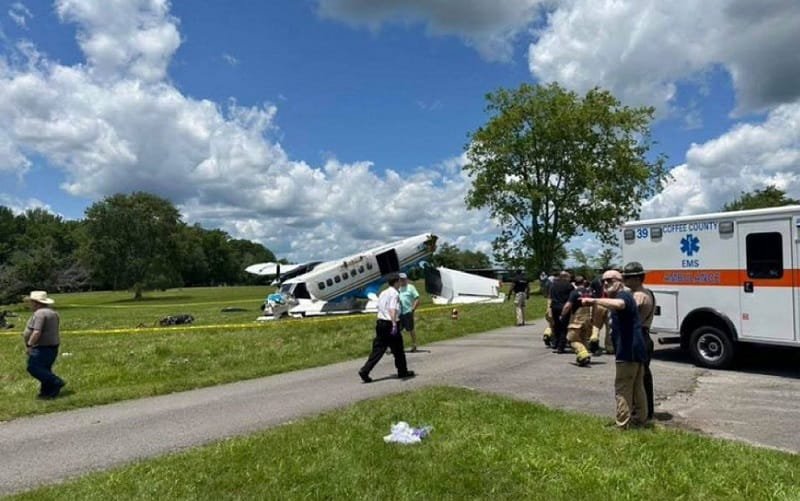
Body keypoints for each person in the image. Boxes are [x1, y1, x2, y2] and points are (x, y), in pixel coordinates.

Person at [581, 270, 647, 428]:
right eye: (603, 281)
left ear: (620, 281)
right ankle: (639, 420)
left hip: (628, 350)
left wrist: (593, 300)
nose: (605, 283)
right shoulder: (624, 295)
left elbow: (620, 305)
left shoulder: (623, 296)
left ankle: (622, 424)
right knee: (637, 387)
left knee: (622, 387)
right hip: (635, 349)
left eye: (609, 280)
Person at [358, 274, 415, 383]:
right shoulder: (394, 294)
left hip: (380, 323)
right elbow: (392, 308)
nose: (400, 283)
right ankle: (402, 371)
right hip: (390, 323)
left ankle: (365, 370)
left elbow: (379, 307)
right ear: (396, 282)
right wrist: (394, 324)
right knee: (398, 350)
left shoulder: (383, 293)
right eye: (399, 281)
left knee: (378, 349)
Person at [622, 261, 656, 420]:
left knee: (637, 377)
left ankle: (642, 412)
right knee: (644, 376)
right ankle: (647, 410)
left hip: (639, 336)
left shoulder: (638, 295)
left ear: (636, 278)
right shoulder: (648, 292)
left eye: (627, 278)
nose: (625, 281)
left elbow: (627, 313)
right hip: (644, 335)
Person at [21, 290, 66, 399]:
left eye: (31, 302)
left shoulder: (40, 313)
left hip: (42, 347)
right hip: (53, 346)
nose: (30, 305)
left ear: (36, 303)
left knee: (33, 367)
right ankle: (47, 392)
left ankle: (56, 381)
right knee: (45, 369)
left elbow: (37, 331)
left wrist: (30, 345)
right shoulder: (53, 313)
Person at [560, 276, 594, 366]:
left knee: (571, 339)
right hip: (588, 318)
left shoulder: (574, 293)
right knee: (584, 339)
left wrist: (562, 314)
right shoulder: (590, 292)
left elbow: (568, 305)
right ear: (584, 282)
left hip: (577, 319)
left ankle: (582, 353)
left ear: (575, 283)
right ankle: (584, 357)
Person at [548, 271, 574, 353]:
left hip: (554, 307)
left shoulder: (553, 285)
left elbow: (550, 296)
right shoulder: (569, 286)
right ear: (566, 277)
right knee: (564, 327)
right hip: (564, 307)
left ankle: (555, 343)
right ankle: (561, 347)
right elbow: (572, 298)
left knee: (556, 325)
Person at [398, 273, 420, 352]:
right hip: (400, 312)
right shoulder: (398, 289)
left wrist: (413, 309)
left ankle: (414, 344)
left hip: (408, 311)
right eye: (400, 279)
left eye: (403, 279)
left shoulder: (411, 287)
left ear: (406, 279)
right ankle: (397, 346)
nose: (402, 281)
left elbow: (417, 298)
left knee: (410, 329)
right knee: (398, 330)